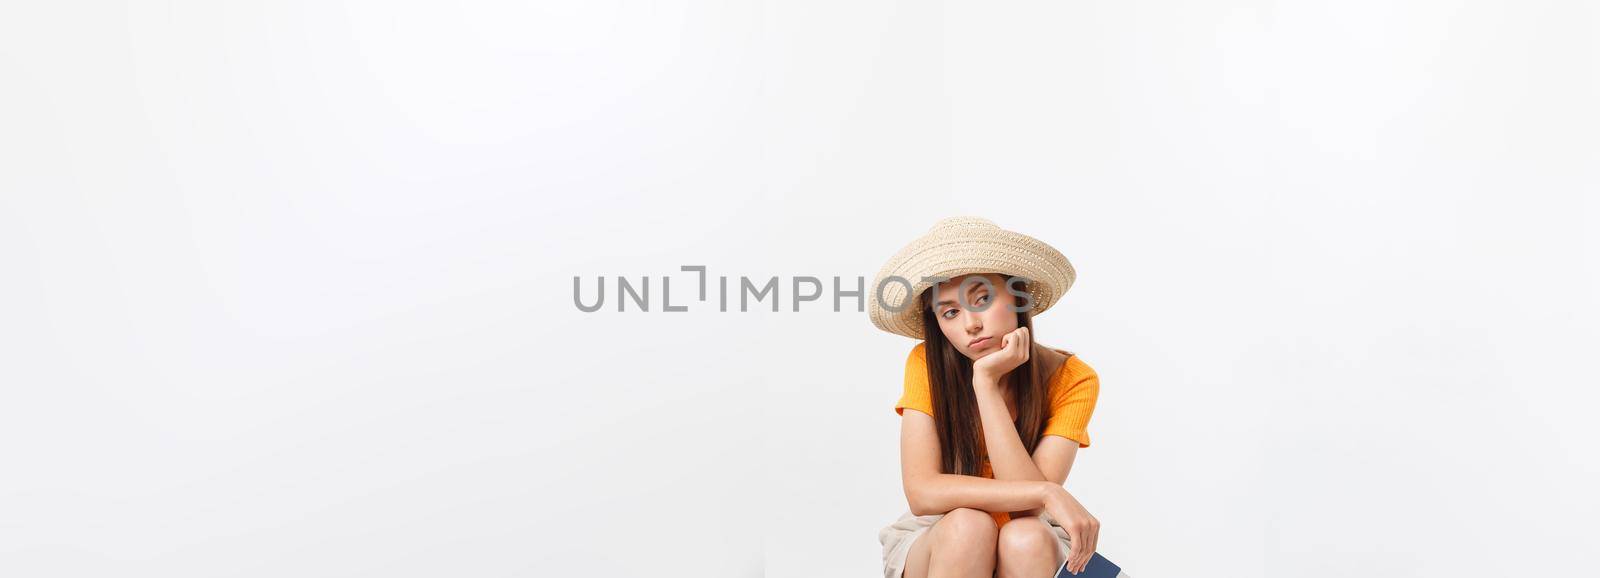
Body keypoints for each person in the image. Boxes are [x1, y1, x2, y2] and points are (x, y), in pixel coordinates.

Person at [871, 217, 1131, 578]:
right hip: (937, 531)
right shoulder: (925, 364)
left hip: (1033, 533)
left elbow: (1027, 512)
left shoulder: (1073, 378)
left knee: (1025, 536)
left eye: (982, 299)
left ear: (1018, 295)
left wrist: (987, 385)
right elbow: (922, 493)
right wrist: (1044, 492)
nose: (970, 325)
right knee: (968, 526)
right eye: (950, 312)